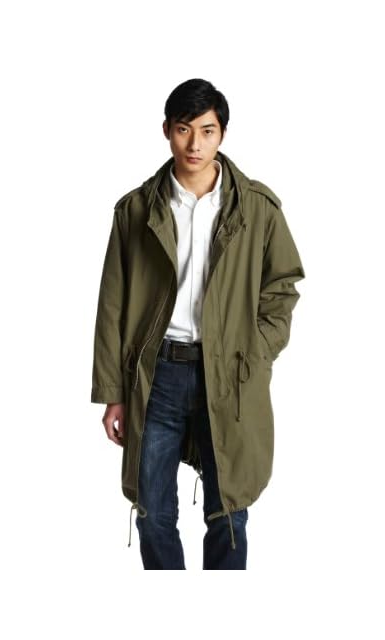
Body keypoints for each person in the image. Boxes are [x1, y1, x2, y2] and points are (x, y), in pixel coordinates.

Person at [91, 78, 305, 569]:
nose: (194, 143)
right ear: (167, 130)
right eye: (184, 129)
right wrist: (113, 393)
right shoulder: (135, 210)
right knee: (152, 514)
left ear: (222, 133)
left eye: (207, 130)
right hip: (157, 376)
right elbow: (112, 305)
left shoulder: (256, 207)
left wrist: (257, 348)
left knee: (228, 510)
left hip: (228, 375)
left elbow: (283, 285)